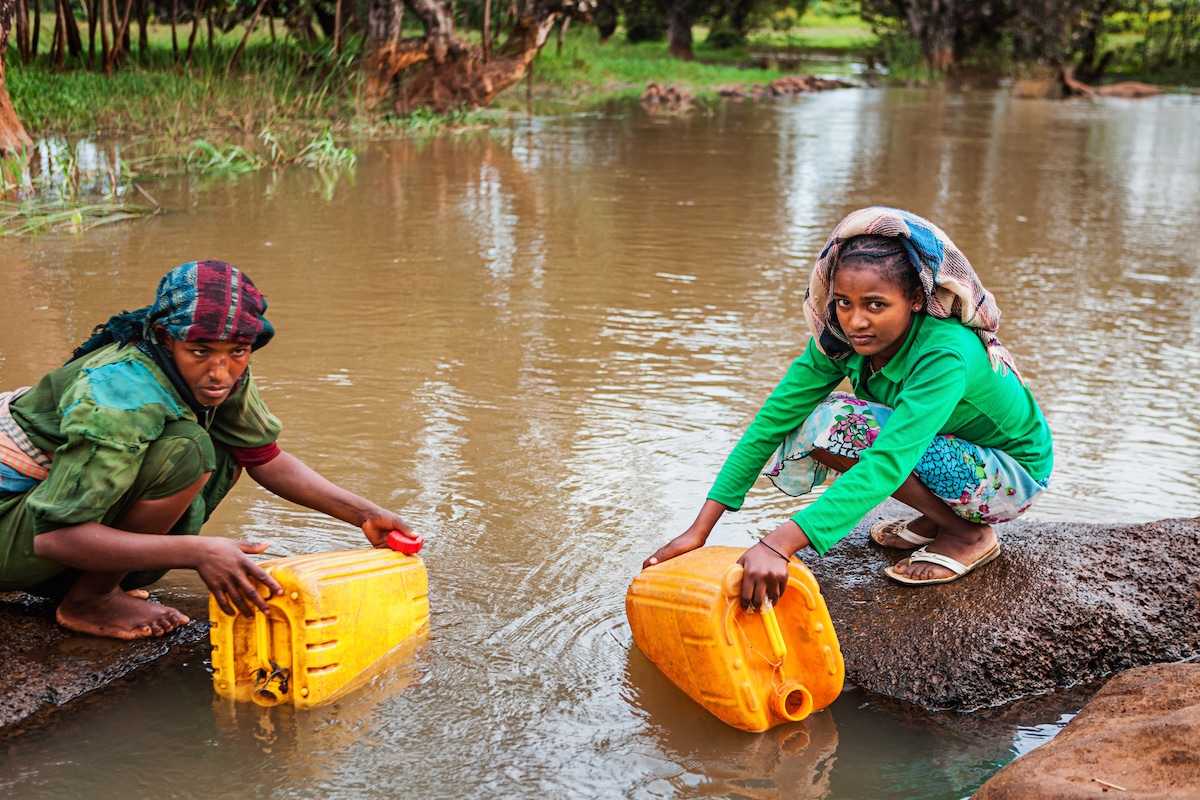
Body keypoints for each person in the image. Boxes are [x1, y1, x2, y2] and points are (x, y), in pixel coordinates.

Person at [644, 207, 1053, 607]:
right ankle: (940, 519)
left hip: (1009, 476)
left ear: (914, 299)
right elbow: (770, 422)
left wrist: (778, 544)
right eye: (843, 302)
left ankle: (969, 535)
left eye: (875, 305)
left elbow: (888, 460)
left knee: (842, 425)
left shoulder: (944, 352)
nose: (856, 321)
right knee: (815, 421)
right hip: (948, 449)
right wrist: (700, 530)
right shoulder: (839, 340)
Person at [0, 260, 418, 640]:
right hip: (22, 529)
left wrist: (363, 515)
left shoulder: (219, 374)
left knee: (227, 448)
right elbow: (52, 539)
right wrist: (198, 551)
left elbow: (264, 458)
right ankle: (88, 602)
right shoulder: (117, 393)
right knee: (190, 448)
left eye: (237, 352)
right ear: (165, 338)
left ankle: (97, 584)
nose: (220, 372)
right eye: (200, 352)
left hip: (47, 527)